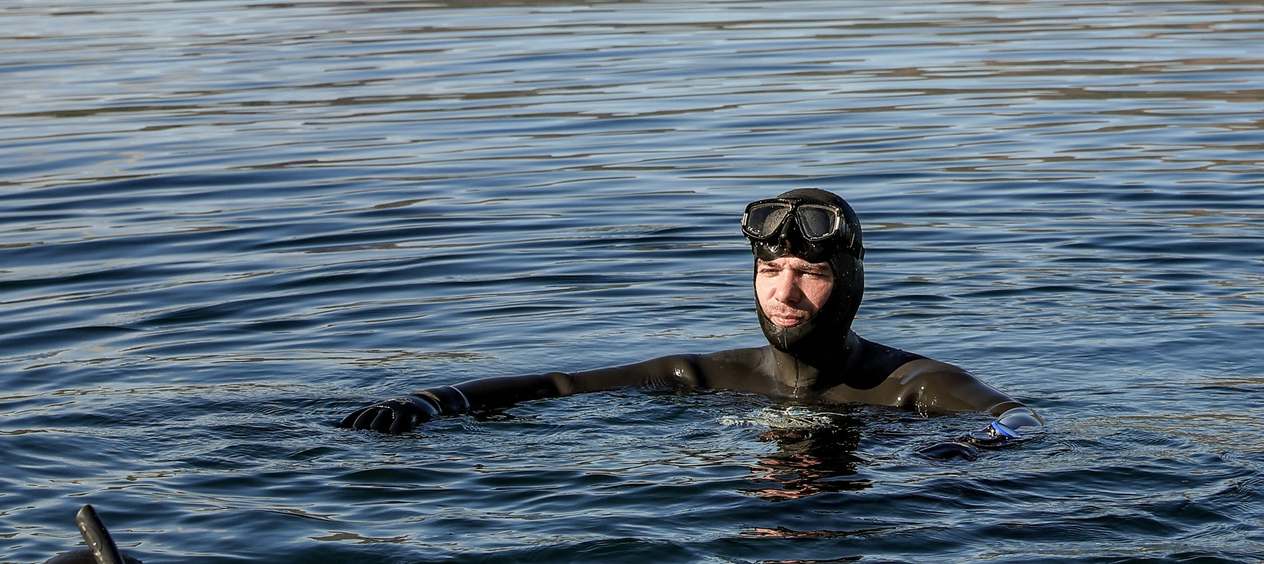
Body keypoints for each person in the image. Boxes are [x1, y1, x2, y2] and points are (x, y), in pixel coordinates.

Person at [339, 187, 1042, 445]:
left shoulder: (909, 386)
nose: (785, 294)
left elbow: (1019, 418)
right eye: (770, 271)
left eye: (810, 274)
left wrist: (969, 453)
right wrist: (436, 398)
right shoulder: (704, 374)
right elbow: (559, 387)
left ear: (851, 283)